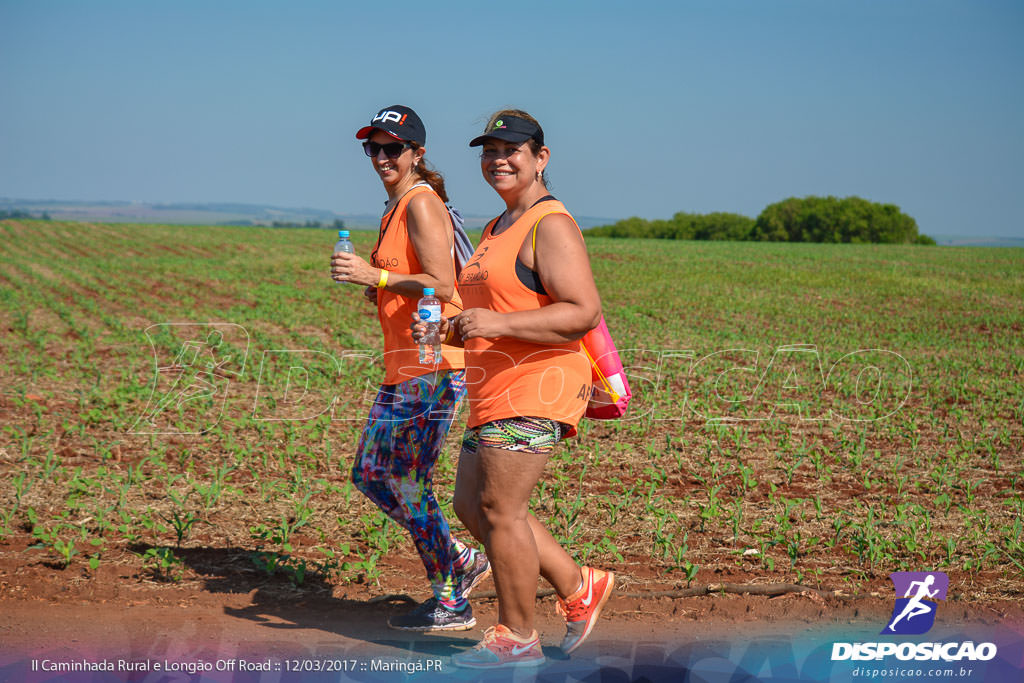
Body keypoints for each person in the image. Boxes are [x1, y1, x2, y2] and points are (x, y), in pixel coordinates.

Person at [416, 109, 614, 668]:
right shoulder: (496, 228)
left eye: (511, 151)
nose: (498, 160)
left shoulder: (549, 223)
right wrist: (453, 325)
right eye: (488, 151)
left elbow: (582, 311)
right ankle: (580, 586)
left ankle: (517, 637)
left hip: (539, 383)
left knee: (502, 510)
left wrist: (497, 326)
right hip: (493, 385)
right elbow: (493, 308)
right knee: (474, 507)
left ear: (540, 158)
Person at [331, 104, 489, 631]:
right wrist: (378, 285)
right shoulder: (395, 205)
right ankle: (459, 564)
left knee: (398, 477)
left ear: (416, 154)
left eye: (392, 148)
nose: (381, 157)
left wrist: (371, 277)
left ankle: (452, 595)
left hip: (435, 365)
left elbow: (443, 285)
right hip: (409, 365)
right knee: (376, 474)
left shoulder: (420, 203)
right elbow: (413, 279)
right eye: (372, 148)